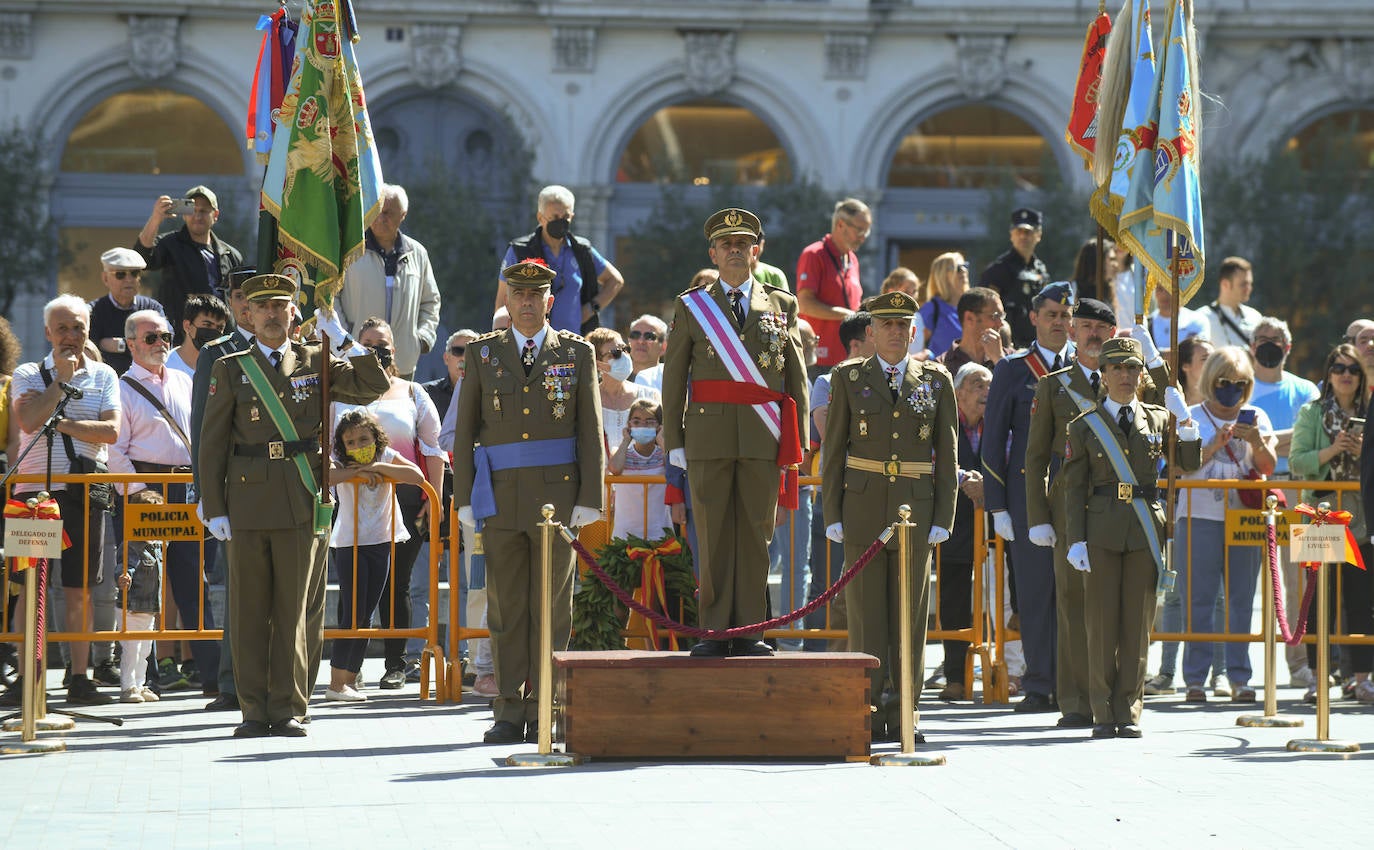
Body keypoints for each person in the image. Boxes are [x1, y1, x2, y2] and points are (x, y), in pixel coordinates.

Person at [198, 274, 389, 738]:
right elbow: (212, 441)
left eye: (280, 307)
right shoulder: (231, 366)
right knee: (248, 608)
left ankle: (287, 707)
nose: (271, 315)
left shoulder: (317, 359)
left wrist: (342, 334)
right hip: (245, 498)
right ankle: (253, 710)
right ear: (249, 314)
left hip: (299, 496)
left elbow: (372, 385)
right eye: (262, 308)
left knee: (293, 608)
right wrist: (214, 504)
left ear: (292, 312)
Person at [453, 258, 605, 745]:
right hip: (497, 497)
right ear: (507, 301)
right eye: (517, 295)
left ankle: (547, 708)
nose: (525, 304)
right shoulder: (482, 354)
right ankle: (509, 711)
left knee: (553, 609)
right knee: (505, 608)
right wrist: (463, 499)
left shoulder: (576, 354)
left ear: (550, 302)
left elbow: (591, 430)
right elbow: (465, 435)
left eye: (535, 295)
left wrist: (590, 497)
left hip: (557, 499)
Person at [662, 208, 809, 657]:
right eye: (727, 245)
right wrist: (676, 444)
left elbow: (795, 379)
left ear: (756, 251)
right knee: (712, 536)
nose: (735, 251)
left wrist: (794, 442)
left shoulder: (782, 304)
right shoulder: (692, 306)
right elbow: (674, 379)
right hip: (707, 439)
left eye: (743, 244)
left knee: (756, 536)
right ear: (713, 252)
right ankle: (713, 632)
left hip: (763, 438)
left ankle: (749, 632)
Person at [1023, 298, 1176, 728]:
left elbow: (1171, 406)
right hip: (1071, 508)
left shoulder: (1131, 376)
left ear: (1113, 335)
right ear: (1072, 332)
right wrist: (1036, 515)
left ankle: (1117, 703)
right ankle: (1076, 702)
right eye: (1084, 325)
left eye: (1101, 327)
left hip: (1127, 511)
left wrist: (1158, 362)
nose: (1092, 333)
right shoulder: (1055, 385)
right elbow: (1036, 457)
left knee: (1123, 612)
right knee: (1075, 605)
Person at [822, 290, 957, 742]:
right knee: (865, 615)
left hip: (915, 509)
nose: (896, 333)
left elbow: (948, 452)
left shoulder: (936, 381)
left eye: (903, 325)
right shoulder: (846, 377)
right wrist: (832, 511)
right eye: (887, 325)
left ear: (914, 331)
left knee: (910, 616)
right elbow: (835, 450)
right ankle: (869, 710)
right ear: (872, 333)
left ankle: (905, 713)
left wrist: (944, 513)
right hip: (862, 504)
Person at [1062, 337, 1202, 738]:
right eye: (1117, 369)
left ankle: (1130, 710)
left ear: (1142, 376)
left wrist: (1187, 422)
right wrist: (1075, 539)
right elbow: (1073, 487)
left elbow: (1188, 464)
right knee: (1101, 624)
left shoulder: (1159, 418)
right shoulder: (1084, 425)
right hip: (1102, 529)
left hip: (1143, 529)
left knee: (1137, 626)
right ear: (1103, 375)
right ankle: (1103, 712)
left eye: (1133, 369)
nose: (1125, 376)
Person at [2, 294, 120, 707]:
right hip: (33, 494)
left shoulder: (105, 376)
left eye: (78, 328)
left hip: (84, 492)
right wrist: (61, 384)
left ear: (88, 330)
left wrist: (63, 423)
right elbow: (29, 420)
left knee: (80, 588)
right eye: (63, 328)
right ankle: (27, 675)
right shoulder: (28, 374)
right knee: (27, 583)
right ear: (48, 332)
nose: (71, 336)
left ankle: (79, 676)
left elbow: (109, 433)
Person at [107, 309, 221, 701]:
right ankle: (135, 679)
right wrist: (138, 490)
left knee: (193, 580)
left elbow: (202, 436)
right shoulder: (120, 388)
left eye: (165, 337)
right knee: (141, 583)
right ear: (132, 344)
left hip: (185, 486)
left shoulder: (185, 381)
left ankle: (212, 674)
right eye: (151, 337)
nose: (161, 344)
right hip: (144, 487)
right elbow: (114, 451)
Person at [334, 318, 446, 689]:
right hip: (349, 499)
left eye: (382, 345)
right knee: (354, 588)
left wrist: (434, 497)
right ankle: (349, 668)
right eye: (367, 344)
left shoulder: (414, 392)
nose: (375, 351)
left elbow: (432, 448)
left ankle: (396, 662)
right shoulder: (340, 389)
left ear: (394, 350)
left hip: (404, 498)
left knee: (395, 583)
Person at [981, 281, 1073, 713]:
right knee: (1035, 594)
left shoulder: (1086, 367)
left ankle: (1071, 681)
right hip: (1027, 498)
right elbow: (995, 441)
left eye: (1065, 315)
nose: (1059, 322)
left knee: (1073, 593)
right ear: (1034, 318)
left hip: (1074, 496)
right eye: (1051, 314)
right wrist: (998, 505)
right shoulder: (1014, 370)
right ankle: (1039, 683)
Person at [1176, 346, 1277, 704]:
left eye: (1239, 382)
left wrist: (1256, 440)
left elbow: (1267, 466)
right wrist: (1211, 445)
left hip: (1243, 520)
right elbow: (1176, 469)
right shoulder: (1188, 416)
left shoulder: (1257, 417)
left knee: (1240, 600)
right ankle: (1195, 679)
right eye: (1223, 382)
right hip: (1198, 517)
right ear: (1209, 380)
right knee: (1198, 600)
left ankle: (1240, 678)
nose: (1230, 388)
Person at [189, 268, 256, 712]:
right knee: (240, 589)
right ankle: (233, 683)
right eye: (240, 297)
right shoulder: (217, 354)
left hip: (289, 486)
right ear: (231, 303)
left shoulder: (299, 350)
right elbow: (203, 429)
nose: (250, 307)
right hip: (238, 486)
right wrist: (205, 493)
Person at [325, 408, 424, 702]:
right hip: (349, 544)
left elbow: (415, 474)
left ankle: (350, 679)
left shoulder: (385, 456)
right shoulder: (340, 462)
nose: (358, 446)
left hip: (380, 541)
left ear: (376, 438)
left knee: (366, 614)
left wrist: (380, 470)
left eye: (363, 439)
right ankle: (336, 682)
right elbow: (327, 476)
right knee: (352, 613)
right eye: (351, 442)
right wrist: (357, 472)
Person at [1292, 343, 1373, 703]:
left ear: (1361, 377)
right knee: (1318, 602)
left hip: (1361, 516)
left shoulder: (1370, 413)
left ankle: (1362, 678)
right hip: (1321, 514)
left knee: (1361, 600)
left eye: (1353, 369)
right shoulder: (1311, 413)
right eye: (1338, 368)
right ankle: (1317, 677)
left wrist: (1362, 452)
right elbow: (1297, 462)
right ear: (1328, 374)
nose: (1345, 375)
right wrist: (1333, 449)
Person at [1247, 316, 1321, 685]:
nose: (1268, 344)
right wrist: (1284, 440)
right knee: (1240, 582)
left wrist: (1260, 437)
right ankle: (1234, 670)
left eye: (1276, 339)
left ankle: (1298, 665)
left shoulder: (1306, 389)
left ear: (1287, 347)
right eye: (1262, 339)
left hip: (1295, 490)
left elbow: (1311, 433)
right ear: (1251, 345)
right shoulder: (1241, 387)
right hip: (1249, 489)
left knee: (1296, 582)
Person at [1145, 332, 1216, 696]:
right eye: (1204, 357)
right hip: (1173, 508)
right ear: (1186, 366)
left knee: (1215, 595)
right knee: (1172, 592)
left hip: (1214, 514)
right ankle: (1168, 671)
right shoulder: (1168, 405)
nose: (1212, 362)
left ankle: (1216, 671)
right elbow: (1169, 464)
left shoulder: (1223, 405)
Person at [803, 310, 873, 651]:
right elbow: (828, 428)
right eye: (877, 334)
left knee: (867, 583)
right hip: (837, 495)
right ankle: (817, 660)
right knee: (827, 583)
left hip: (875, 494)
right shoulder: (827, 383)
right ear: (856, 345)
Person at [336, 184, 442, 380]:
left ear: (403, 214)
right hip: (356, 359)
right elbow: (332, 297)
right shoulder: (349, 249)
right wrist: (345, 338)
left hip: (403, 364)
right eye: (376, 211)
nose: (380, 218)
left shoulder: (417, 253)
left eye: (388, 213)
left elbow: (431, 301)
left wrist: (422, 338)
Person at [497, 184, 625, 335]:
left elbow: (615, 281)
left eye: (565, 217)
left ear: (572, 216)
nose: (560, 222)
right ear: (540, 217)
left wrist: (592, 307)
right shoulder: (520, 250)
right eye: (555, 217)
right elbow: (502, 301)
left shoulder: (581, 250)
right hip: (532, 341)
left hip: (575, 344)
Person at [939, 361, 991, 701]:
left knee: (997, 599)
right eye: (977, 385)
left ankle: (1002, 672)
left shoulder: (997, 422)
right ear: (958, 393)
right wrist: (963, 479)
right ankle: (955, 677)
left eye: (989, 385)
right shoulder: (945, 421)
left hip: (992, 526)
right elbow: (934, 457)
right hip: (953, 524)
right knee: (953, 601)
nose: (986, 392)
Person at [134, 186, 242, 342]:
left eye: (204, 211)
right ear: (184, 215)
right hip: (182, 336)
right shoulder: (171, 244)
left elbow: (241, 298)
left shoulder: (231, 255)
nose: (197, 216)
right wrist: (156, 217)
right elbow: (142, 259)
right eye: (192, 210)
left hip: (223, 336)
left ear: (215, 215)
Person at [797, 198, 870, 374]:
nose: (863, 237)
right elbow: (805, 304)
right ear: (840, 225)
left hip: (849, 358)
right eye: (859, 230)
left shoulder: (852, 259)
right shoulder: (814, 254)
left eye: (866, 232)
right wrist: (849, 315)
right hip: (818, 361)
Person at [978, 208, 1050, 347]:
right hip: (1008, 347)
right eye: (1019, 232)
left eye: (1028, 232)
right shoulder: (998, 270)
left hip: (1037, 345)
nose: (1023, 236)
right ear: (1011, 235)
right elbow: (984, 311)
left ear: (1038, 235)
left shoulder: (1041, 269)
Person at [88, 247, 165, 375]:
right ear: (105, 278)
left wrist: (121, 345)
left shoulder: (152, 308)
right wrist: (143, 342)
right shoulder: (92, 312)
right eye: (120, 274)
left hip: (147, 382)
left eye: (134, 274)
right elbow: (89, 351)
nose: (129, 279)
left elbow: (165, 342)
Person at [608, 398, 671, 540]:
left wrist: (662, 440)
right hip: (625, 534)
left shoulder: (663, 454)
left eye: (649, 422)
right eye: (636, 422)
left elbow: (675, 469)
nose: (643, 426)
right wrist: (626, 440)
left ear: (659, 426)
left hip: (659, 533)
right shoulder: (622, 453)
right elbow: (615, 468)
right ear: (629, 425)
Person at [590, 328, 660, 451]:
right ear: (598, 363)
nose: (624, 356)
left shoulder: (650, 395)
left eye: (625, 350)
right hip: (600, 470)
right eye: (615, 353)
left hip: (644, 470)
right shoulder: (589, 399)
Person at [115, 538, 160, 704]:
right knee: (131, 650)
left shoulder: (158, 545)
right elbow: (123, 566)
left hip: (149, 608)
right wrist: (123, 577)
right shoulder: (131, 545)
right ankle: (128, 687)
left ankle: (140, 685)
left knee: (144, 651)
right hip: (130, 607)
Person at [937, 286, 1007, 376]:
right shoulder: (942, 365)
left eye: (1002, 316)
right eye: (995, 316)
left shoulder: (1012, 358)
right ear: (969, 318)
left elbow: (1020, 389)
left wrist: (1000, 360)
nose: (1001, 323)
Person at [1195, 257, 1261, 347]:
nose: (1249, 288)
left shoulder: (1255, 317)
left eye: (1250, 284)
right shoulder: (1202, 318)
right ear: (1225, 284)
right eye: (1243, 284)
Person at [921, 253, 971, 359]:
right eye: (957, 268)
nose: (964, 270)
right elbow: (914, 346)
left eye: (965, 266)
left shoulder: (972, 307)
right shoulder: (931, 309)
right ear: (942, 275)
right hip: (938, 373)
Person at [167, 293, 229, 378]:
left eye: (219, 327)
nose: (213, 332)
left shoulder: (224, 366)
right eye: (207, 325)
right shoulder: (166, 365)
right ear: (187, 326)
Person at [1145, 285, 1207, 354]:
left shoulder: (1197, 320)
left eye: (1170, 289)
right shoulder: (1146, 324)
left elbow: (1202, 352)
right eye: (1160, 289)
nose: (1164, 295)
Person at [1068, 237, 1119, 303]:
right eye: (1112, 259)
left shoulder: (1110, 290)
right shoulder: (1072, 291)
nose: (1116, 264)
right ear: (1098, 261)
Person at [627, 314, 669, 391]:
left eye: (649, 337)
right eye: (635, 335)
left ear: (663, 347)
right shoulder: (613, 377)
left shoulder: (671, 379)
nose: (640, 341)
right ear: (629, 341)